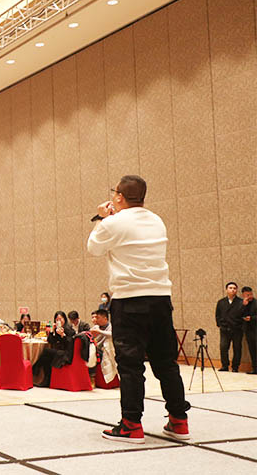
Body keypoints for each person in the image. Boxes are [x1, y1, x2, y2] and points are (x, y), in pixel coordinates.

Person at [88, 174, 190, 443]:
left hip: (130, 300)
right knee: (166, 363)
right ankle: (179, 421)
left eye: (114, 192)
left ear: (119, 196)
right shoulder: (157, 220)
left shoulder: (113, 222)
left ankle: (131, 424)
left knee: (130, 365)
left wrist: (102, 218)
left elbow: (94, 248)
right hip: (160, 299)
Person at [31, 311, 76, 387]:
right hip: (59, 351)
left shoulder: (69, 329)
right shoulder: (57, 329)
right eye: (57, 319)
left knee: (46, 351)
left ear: (64, 319)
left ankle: (35, 369)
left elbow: (70, 344)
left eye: (60, 319)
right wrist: (52, 331)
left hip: (67, 353)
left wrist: (63, 335)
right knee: (46, 358)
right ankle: (46, 380)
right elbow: (50, 341)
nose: (59, 321)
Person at [215, 282, 243, 372]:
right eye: (230, 288)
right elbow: (217, 315)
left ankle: (235, 366)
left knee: (237, 348)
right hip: (224, 329)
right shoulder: (221, 302)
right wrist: (220, 324)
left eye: (234, 288)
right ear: (226, 290)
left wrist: (240, 326)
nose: (232, 290)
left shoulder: (241, 302)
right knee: (223, 347)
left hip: (237, 329)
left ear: (236, 290)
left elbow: (243, 315)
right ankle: (225, 365)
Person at [241, 287, 257, 375]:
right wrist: (244, 306)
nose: (250, 296)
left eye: (251, 294)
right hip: (248, 330)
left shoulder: (256, 303)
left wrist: (251, 318)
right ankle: (255, 368)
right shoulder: (242, 304)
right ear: (243, 295)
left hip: (255, 328)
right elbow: (238, 314)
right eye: (247, 295)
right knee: (252, 350)